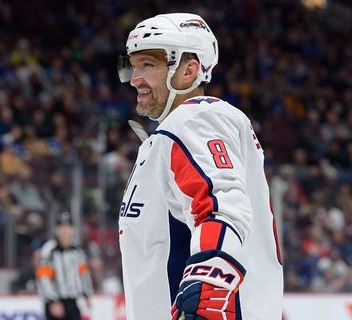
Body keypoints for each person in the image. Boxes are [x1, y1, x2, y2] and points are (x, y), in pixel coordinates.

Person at [117, 13, 283, 319]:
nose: (135, 78)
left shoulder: (196, 119)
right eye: (132, 65)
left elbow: (221, 207)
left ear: (189, 71)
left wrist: (208, 286)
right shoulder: (171, 135)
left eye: (148, 65)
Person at [35, 211, 92, 320]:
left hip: (72, 301)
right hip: (55, 303)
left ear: (72, 230)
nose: (65, 231)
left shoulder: (77, 251)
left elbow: (84, 274)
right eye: (62, 227)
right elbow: (43, 277)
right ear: (57, 230)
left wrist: (87, 294)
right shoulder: (49, 250)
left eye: (68, 227)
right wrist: (52, 301)